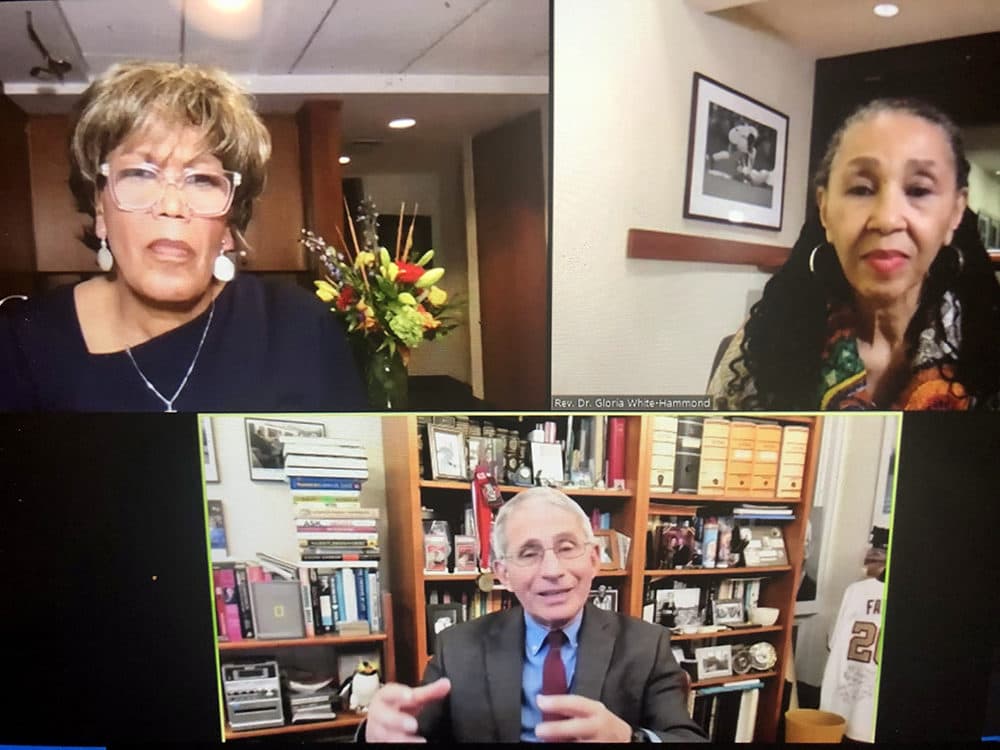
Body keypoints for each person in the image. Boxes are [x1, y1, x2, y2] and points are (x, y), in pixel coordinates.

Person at [0, 60, 365, 412]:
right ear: (100, 210)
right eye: (140, 174)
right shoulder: (23, 343)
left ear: (228, 224)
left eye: (202, 179)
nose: (172, 205)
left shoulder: (299, 327)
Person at [708, 98, 1000, 410]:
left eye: (918, 190)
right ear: (824, 209)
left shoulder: (986, 345)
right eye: (861, 189)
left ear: (955, 212)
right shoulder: (765, 344)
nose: (887, 220)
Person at [362, 487, 706, 743]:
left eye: (567, 548)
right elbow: (411, 732)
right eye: (528, 553)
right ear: (503, 573)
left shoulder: (647, 646)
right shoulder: (458, 647)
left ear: (594, 558)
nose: (552, 570)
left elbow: (688, 739)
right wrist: (376, 731)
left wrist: (630, 739)